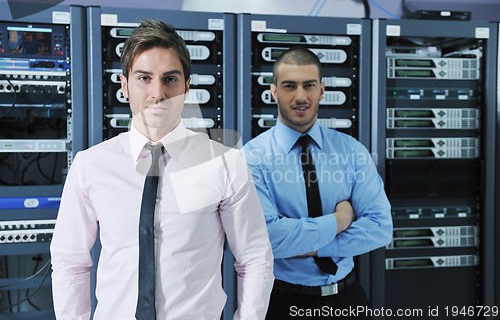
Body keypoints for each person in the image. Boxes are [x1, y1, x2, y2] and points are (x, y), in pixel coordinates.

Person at [50, 19, 274, 319]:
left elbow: (255, 259)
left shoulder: (224, 163)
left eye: (170, 79)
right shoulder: (91, 165)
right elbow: (70, 262)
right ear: (124, 85)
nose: (158, 93)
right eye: (144, 78)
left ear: (187, 86)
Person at [243, 46, 392, 319]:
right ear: (274, 92)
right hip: (282, 303)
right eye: (289, 86)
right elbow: (267, 239)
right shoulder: (252, 158)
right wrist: (339, 222)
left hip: (348, 300)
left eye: (309, 85)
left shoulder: (352, 151)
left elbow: (380, 228)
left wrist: (312, 245)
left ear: (321, 90)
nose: (300, 96)